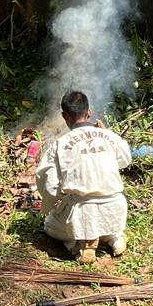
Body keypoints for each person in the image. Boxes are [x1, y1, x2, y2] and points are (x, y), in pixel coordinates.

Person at [36, 91, 130, 264]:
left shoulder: (61, 143)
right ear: (89, 113)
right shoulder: (108, 135)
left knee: (50, 225)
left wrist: (50, 205)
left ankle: (79, 244)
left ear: (65, 116)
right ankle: (115, 238)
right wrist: (108, 134)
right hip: (116, 207)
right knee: (109, 218)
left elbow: (48, 183)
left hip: (82, 212)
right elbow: (125, 160)